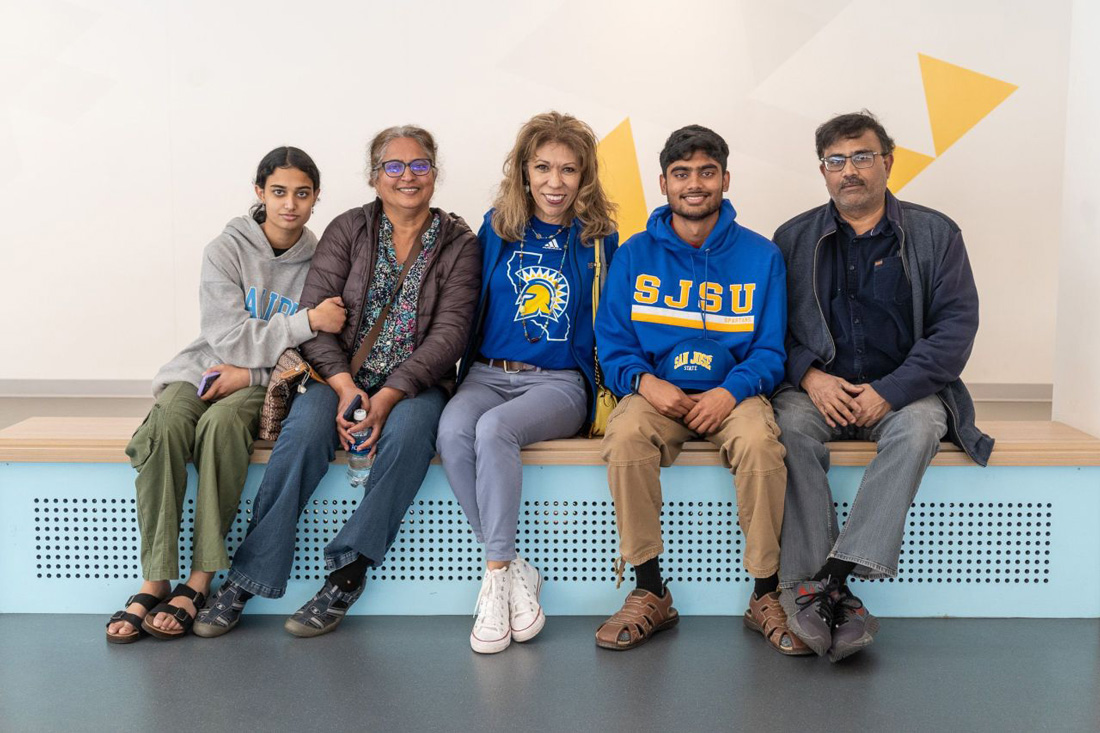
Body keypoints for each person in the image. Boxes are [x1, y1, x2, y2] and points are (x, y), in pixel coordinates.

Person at [193, 125, 480, 638]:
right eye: (394, 166)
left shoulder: (460, 243)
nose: (407, 176)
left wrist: (389, 395)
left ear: (435, 174)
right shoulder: (349, 230)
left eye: (419, 166)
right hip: (337, 374)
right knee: (302, 434)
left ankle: (348, 573)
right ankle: (248, 575)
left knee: (410, 437)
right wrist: (346, 386)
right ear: (375, 177)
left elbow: (451, 334)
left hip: (415, 384)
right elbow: (315, 317)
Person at [772, 111, 992, 662]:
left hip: (905, 391)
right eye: (837, 161)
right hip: (818, 390)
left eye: (863, 157)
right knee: (790, 426)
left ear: (888, 162)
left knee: (920, 427)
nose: (851, 171)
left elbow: (954, 331)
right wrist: (810, 375)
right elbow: (768, 330)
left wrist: (890, 391)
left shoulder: (936, 234)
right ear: (823, 170)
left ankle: (827, 580)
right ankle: (825, 588)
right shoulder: (793, 239)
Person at [106, 147, 345, 642]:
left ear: (316, 197)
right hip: (203, 368)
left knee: (220, 427)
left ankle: (199, 581)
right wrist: (303, 321)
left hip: (264, 382)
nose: (290, 205)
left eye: (302, 194)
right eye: (278, 192)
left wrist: (252, 377)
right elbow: (228, 337)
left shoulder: (321, 261)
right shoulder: (225, 248)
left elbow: (318, 350)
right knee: (167, 424)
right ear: (259, 192)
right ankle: (156, 578)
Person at [594, 125, 805, 654]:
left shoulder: (762, 256)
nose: (695, 184)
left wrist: (730, 393)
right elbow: (613, 343)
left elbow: (770, 350)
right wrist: (646, 384)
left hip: (732, 396)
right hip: (656, 392)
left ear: (725, 179)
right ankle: (649, 590)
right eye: (682, 173)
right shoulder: (634, 253)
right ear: (663, 183)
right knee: (625, 439)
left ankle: (764, 592)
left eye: (707, 172)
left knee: (761, 444)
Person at [437, 112, 618, 654]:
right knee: (451, 433)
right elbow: (468, 304)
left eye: (568, 169)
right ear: (523, 170)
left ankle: (492, 578)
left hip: (559, 384)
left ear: (585, 175)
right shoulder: (496, 226)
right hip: (489, 372)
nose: (554, 182)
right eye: (542, 167)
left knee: (494, 432)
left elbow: (611, 320)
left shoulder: (600, 238)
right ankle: (513, 570)